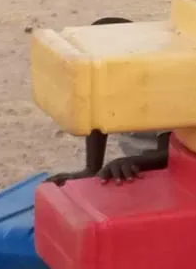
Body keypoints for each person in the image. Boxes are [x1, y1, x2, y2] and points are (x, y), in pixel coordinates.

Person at [45, 18, 170, 187]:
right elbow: (97, 121)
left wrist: (132, 162)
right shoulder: (105, 85)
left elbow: (169, 154)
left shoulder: (161, 92)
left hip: (166, 172)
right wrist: (90, 169)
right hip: (136, 167)